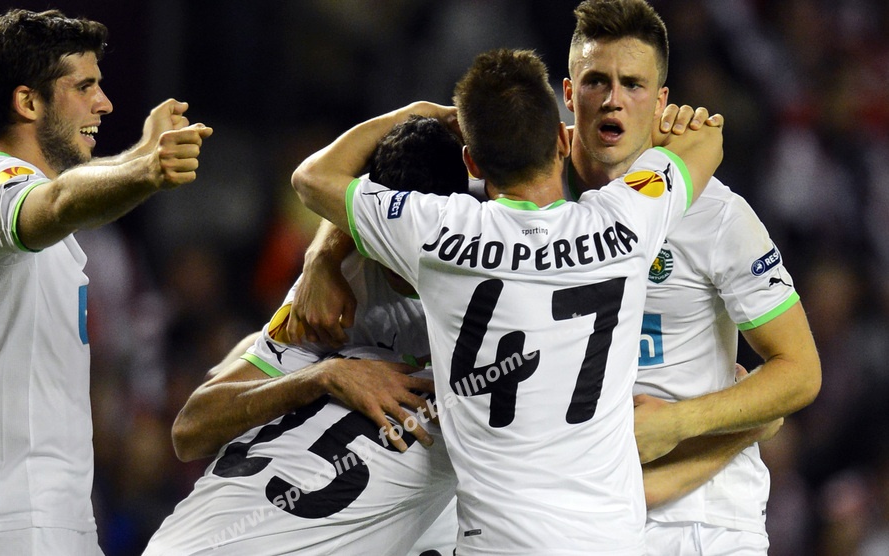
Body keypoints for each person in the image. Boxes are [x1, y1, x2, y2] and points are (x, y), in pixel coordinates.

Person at [292, 48, 722, 554]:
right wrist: (667, 126)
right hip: (611, 541)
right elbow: (708, 140)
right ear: (562, 140)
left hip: (497, 543)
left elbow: (312, 178)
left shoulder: (437, 231)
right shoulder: (627, 217)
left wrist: (417, 113)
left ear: (472, 163)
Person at [0, 9, 212, 556]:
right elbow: (56, 203)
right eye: (84, 86)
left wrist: (141, 155)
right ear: (28, 102)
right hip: (7, 517)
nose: (105, 104)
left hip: (37, 514)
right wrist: (147, 168)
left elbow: (66, 198)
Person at [561, 1, 821, 553]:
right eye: (595, 81)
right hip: (577, 514)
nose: (612, 99)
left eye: (633, 84)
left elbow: (801, 371)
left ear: (661, 103)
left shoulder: (715, 212)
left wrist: (680, 421)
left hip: (706, 522)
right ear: (568, 93)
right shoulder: (529, 201)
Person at [143, 116, 467, 556]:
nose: (396, 250)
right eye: (384, 230)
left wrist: (321, 254)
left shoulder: (493, 267)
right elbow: (190, 431)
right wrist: (323, 376)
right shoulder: (332, 294)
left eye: (411, 234)